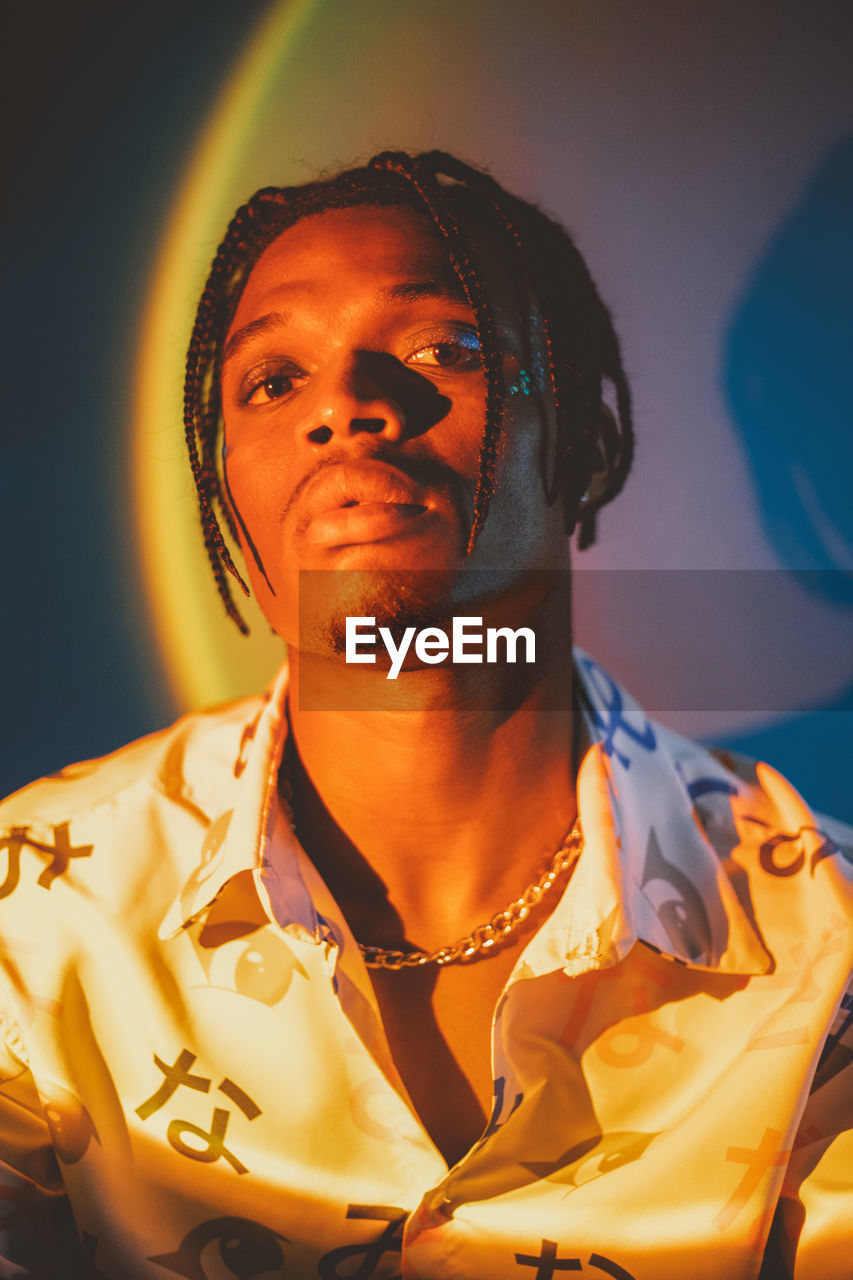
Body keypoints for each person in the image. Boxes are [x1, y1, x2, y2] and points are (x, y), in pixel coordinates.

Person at [0, 150, 850, 1280]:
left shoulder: (828, 940)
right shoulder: (35, 919)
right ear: (230, 488)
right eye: (271, 380)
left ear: (589, 446)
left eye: (443, 348)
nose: (347, 402)